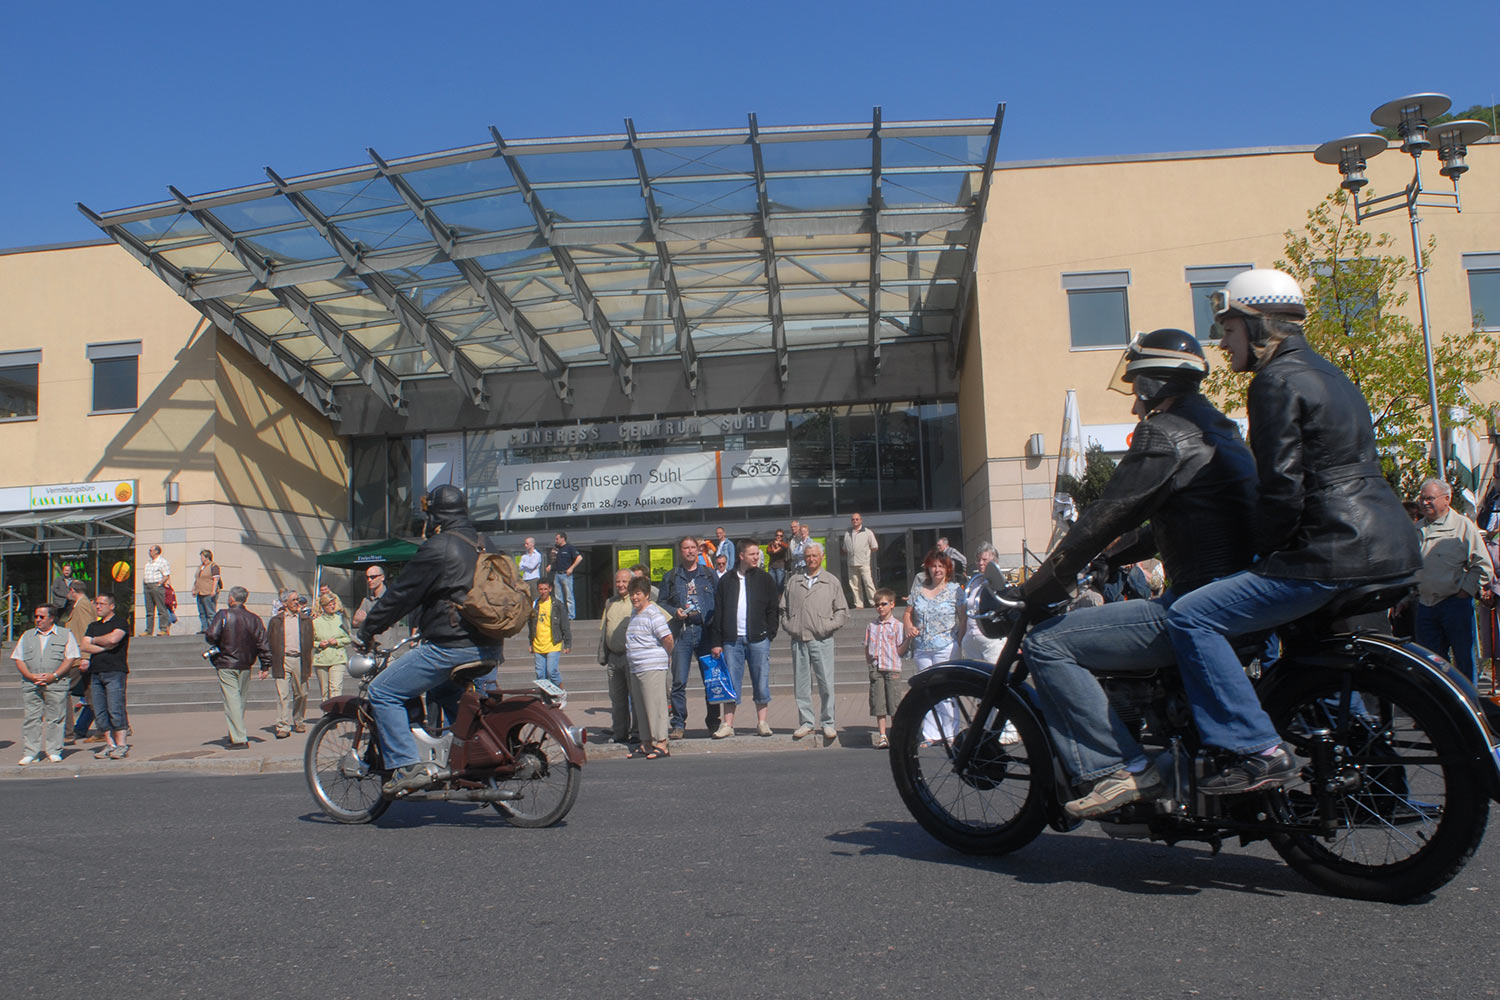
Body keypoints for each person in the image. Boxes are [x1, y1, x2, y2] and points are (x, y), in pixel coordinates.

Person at [1163, 269, 1421, 795]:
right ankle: (1380, 779)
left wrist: (1259, 552)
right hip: (1388, 545)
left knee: (1192, 616)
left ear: (1259, 327)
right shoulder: (1331, 372)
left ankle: (1255, 749)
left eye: (1229, 330)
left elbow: (1281, 486)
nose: (1222, 342)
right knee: (1313, 653)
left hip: (1330, 550)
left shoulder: (1275, 381)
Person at [1015, 328, 1258, 817]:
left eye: (1135, 390)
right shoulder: (1221, 431)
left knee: (1046, 642)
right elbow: (1175, 520)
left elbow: (1107, 512)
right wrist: (1114, 556)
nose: (1133, 407)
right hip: (1242, 597)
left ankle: (1116, 768)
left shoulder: (1163, 432)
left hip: (1194, 602)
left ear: (1151, 386)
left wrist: (1039, 587)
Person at [355, 485, 504, 794]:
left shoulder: (440, 546)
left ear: (435, 515)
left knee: (383, 691)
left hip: (450, 647)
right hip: (489, 645)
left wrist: (369, 627)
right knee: (447, 694)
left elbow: (402, 594)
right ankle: (472, 759)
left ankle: (406, 766)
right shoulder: (485, 543)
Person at [1414, 477, 1494, 685]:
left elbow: (1482, 565)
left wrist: (1465, 592)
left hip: (1454, 604)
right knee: (1431, 664)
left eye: (1430, 498)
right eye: (1422, 499)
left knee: (1464, 662)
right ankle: (1440, 711)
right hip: (1425, 606)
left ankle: (1469, 709)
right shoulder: (1417, 529)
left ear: (1446, 499)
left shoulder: (1463, 526)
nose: (1425, 503)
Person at [780, 540, 849, 741]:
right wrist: (790, 625)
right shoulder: (794, 581)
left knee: (826, 683)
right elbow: (783, 608)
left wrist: (826, 626)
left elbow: (842, 611)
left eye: (814, 556)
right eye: (808, 556)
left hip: (822, 639)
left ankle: (828, 722)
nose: (811, 559)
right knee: (801, 684)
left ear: (822, 558)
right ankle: (806, 722)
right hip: (799, 639)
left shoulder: (831, 581)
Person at [709, 539, 778, 738]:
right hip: (732, 640)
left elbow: (773, 608)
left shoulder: (764, 579)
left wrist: (769, 633)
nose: (757, 557)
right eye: (752, 554)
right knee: (730, 683)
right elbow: (718, 611)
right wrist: (716, 641)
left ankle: (762, 722)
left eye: (758, 554)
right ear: (741, 556)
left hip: (758, 639)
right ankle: (728, 725)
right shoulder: (726, 580)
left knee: (761, 680)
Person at [659, 535, 718, 741]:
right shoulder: (672, 576)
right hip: (682, 633)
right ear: (680, 551)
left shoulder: (709, 575)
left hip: (705, 633)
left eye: (693, 548)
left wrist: (718, 637)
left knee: (711, 681)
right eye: (686, 548)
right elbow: (661, 603)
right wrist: (675, 612)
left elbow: (720, 602)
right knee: (678, 681)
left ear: (699, 551)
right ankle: (678, 723)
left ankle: (714, 722)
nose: (690, 551)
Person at [904, 550, 964, 743]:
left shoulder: (955, 590)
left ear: (947, 569)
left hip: (946, 645)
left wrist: (959, 641)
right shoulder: (918, 590)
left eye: (941, 566)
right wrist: (909, 627)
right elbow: (907, 613)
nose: (937, 569)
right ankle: (930, 734)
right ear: (928, 568)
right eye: (933, 566)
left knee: (946, 691)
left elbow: (963, 618)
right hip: (922, 647)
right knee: (927, 690)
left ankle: (950, 733)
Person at [11, 604, 81, 765]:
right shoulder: (27, 635)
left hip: (56, 683)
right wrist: (29, 675)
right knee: (31, 718)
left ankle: (54, 750)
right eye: (36, 616)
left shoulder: (65, 634)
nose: (38, 620)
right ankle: (31, 752)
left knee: (55, 718)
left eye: (41, 617)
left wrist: (54, 675)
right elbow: (19, 658)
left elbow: (70, 658)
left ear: (51, 618)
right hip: (31, 683)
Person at [205, 586, 271, 749]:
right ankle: (235, 732)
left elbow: (211, 635)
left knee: (232, 700)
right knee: (239, 700)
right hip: (246, 663)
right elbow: (263, 643)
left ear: (231, 599)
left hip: (226, 662)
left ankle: (239, 737)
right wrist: (265, 664)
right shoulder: (254, 619)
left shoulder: (224, 615)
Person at [624, 576, 674, 760]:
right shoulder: (635, 613)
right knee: (641, 707)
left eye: (638, 593)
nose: (634, 597)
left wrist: (665, 656)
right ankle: (646, 743)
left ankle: (661, 743)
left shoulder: (653, 613)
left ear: (647, 595)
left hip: (652, 666)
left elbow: (668, 638)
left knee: (655, 705)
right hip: (636, 667)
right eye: (632, 594)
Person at [80, 594, 131, 759]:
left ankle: (121, 745)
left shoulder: (120, 622)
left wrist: (95, 642)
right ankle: (110, 744)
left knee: (115, 708)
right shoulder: (93, 626)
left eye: (102, 604)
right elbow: (84, 645)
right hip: (96, 672)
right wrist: (104, 646)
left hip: (115, 671)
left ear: (112, 606)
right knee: (100, 711)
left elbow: (114, 638)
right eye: (97, 604)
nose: (98, 607)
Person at [864, 588, 906, 750]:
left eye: (883, 604)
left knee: (894, 703)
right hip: (876, 668)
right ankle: (882, 735)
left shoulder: (897, 625)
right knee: (879, 703)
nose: (880, 607)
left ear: (892, 605)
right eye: (877, 605)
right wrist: (870, 664)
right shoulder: (871, 626)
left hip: (892, 668)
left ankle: (895, 735)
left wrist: (908, 641)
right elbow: (867, 647)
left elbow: (900, 649)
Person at [267, 589, 313, 738]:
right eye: (293, 600)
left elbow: (310, 641)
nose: (296, 603)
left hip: (300, 660)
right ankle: (283, 726)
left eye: (297, 600)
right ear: (285, 603)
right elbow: (269, 641)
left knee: (301, 693)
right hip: (282, 659)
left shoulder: (305, 620)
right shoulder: (276, 621)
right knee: (283, 694)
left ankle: (299, 721)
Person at [597, 568, 635, 745]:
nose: (620, 585)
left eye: (624, 581)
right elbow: (605, 630)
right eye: (618, 581)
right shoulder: (610, 602)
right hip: (613, 657)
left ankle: (636, 732)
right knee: (617, 698)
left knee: (635, 698)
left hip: (631, 656)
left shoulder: (637, 601)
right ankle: (620, 732)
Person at [960, 543, 1006, 663]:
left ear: (994, 560)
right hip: (972, 638)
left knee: (993, 675)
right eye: (978, 560)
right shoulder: (975, 581)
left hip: (992, 638)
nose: (980, 563)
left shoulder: (999, 582)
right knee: (975, 678)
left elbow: (1005, 609)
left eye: (984, 560)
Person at [64, 580, 97, 744]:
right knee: (93, 695)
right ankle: (113, 726)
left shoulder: (82, 605)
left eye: (68, 591)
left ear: (72, 590)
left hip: (79, 658)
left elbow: (86, 630)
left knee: (63, 690)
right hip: (81, 656)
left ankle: (68, 732)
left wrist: (85, 656)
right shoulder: (83, 604)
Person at [528, 578, 571, 694]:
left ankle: (560, 692)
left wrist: (567, 643)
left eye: (545, 589)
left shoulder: (557, 605)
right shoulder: (535, 604)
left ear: (550, 589)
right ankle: (545, 696)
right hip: (538, 644)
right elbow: (531, 624)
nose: (543, 592)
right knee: (540, 674)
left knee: (551, 671)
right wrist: (530, 642)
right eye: (540, 589)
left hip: (553, 643)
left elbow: (565, 624)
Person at [312, 591, 352, 701]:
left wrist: (337, 642)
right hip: (321, 659)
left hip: (337, 658)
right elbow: (309, 641)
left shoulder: (341, 620)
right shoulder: (315, 622)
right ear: (323, 606)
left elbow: (349, 638)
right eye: (330, 604)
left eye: (334, 603)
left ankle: (336, 713)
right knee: (325, 691)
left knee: (335, 688)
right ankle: (327, 715)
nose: (332, 606)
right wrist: (319, 644)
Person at [842, 513, 879, 609]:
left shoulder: (868, 532)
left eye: (857, 519)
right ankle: (858, 604)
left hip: (864, 563)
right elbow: (845, 549)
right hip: (851, 563)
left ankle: (874, 603)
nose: (855, 521)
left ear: (861, 520)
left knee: (868, 583)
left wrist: (865, 553)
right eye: (853, 519)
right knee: (854, 585)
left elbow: (874, 546)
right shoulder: (847, 533)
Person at [549, 531, 582, 620]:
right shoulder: (556, 549)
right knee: (558, 597)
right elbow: (553, 560)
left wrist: (571, 568)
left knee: (569, 596)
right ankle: (561, 615)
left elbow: (579, 558)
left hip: (566, 575)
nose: (556, 540)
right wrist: (550, 566)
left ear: (563, 538)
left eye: (557, 538)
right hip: (557, 574)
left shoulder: (570, 548)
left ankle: (571, 616)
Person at [141, 544, 172, 636]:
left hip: (156, 586)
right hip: (147, 586)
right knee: (149, 610)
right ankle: (148, 630)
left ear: (156, 551)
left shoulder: (162, 562)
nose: (149, 552)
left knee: (161, 608)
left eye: (151, 550)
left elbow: (166, 575)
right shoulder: (149, 563)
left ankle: (163, 628)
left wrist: (159, 584)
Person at [192, 549, 222, 633]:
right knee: (202, 612)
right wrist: (194, 589)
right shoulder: (201, 567)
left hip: (208, 592)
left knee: (210, 612)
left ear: (206, 557)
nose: (201, 558)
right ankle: (204, 629)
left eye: (202, 556)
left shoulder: (213, 566)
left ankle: (212, 629)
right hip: (200, 592)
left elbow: (216, 579)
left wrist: (213, 590)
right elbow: (197, 579)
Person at [518, 536, 543, 602]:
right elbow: (520, 567)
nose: (525, 545)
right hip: (525, 579)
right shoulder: (524, 556)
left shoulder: (537, 555)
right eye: (525, 544)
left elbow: (532, 566)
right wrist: (526, 565)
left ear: (532, 544)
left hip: (533, 579)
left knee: (535, 598)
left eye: (527, 544)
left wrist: (524, 565)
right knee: (526, 599)